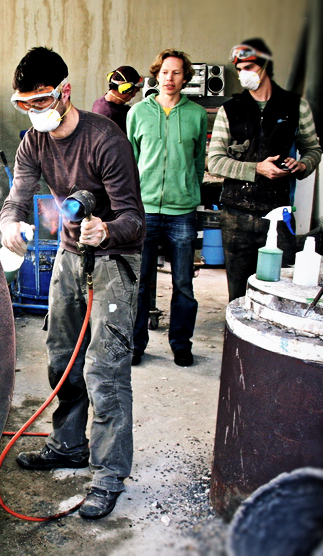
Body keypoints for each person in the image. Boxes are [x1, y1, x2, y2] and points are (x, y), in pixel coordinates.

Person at [0, 46, 145, 519]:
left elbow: (134, 219)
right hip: (70, 253)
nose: (34, 111)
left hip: (115, 256)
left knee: (105, 367)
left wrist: (106, 230)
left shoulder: (106, 140)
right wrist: (10, 223)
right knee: (63, 357)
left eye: (41, 100)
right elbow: (17, 197)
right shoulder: (33, 142)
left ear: (65, 92)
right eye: (23, 104)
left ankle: (108, 474)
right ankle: (67, 445)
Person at [208, 38, 322, 301]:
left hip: (278, 213)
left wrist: (302, 165)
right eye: (239, 69)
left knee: (279, 290)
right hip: (235, 215)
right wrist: (257, 168)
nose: (243, 74)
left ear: (265, 67)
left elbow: (313, 150)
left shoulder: (295, 106)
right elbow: (214, 161)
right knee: (238, 291)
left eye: (248, 67)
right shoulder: (230, 110)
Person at [125, 49, 207, 367]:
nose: (169, 78)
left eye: (176, 72)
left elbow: (198, 162)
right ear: (156, 76)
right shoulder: (138, 113)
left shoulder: (197, 115)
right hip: (145, 210)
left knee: (183, 283)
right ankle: (136, 344)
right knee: (139, 282)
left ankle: (181, 344)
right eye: (164, 72)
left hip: (182, 212)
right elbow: (130, 162)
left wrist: (189, 191)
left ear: (185, 78)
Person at [91, 65, 142, 134]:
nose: (134, 95)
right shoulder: (111, 115)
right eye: (135, 91)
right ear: (125, 89)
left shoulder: (100, 102)